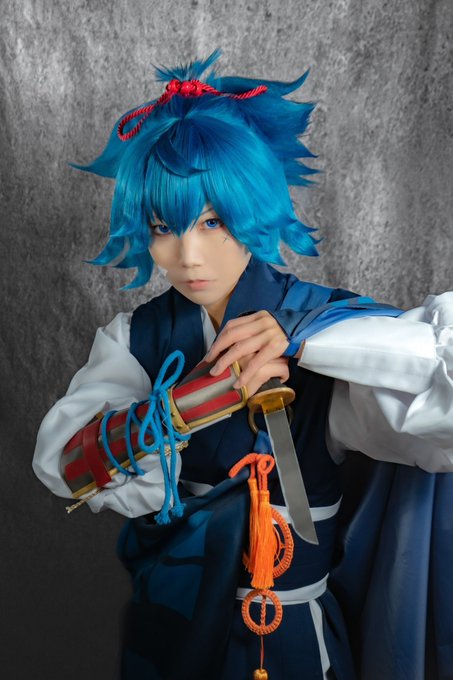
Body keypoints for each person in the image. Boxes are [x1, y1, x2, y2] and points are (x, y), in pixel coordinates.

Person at [33, 51, 453, 680]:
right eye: (163, 227)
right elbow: (66, 467)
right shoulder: (136, 339)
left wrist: (307, 341)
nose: (188, 256)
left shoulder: (328, 326)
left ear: (251, 210)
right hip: (177, 632)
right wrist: (183, 406)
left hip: (293, 639)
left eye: (212, 221)